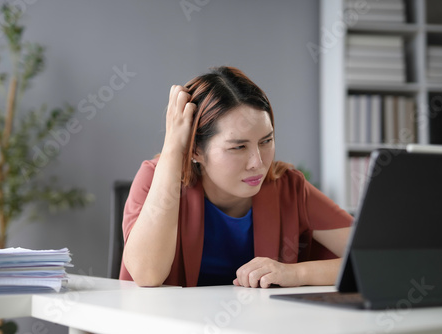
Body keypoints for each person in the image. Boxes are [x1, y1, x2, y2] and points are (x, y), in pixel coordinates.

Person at [120, 66, 353, 288]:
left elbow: (377, 259)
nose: (258, 163)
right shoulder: (154, 177)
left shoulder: (288, 187)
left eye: (266, 141)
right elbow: (147, 274)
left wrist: (294, 273)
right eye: (238, 147)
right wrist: (173, 147)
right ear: (196, 151)